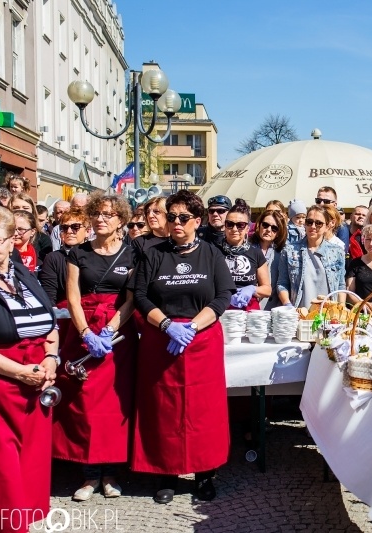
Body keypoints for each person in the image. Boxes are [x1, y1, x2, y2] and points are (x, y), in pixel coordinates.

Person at [131, 190, 236, 504]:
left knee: (203, 412)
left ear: (197, 221)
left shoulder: (212, 254)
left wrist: (192, 327)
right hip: (162, 339)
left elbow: (223, 296)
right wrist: (167, 325)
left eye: (184, 217)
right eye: (172, 216)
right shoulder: (153, 253)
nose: (176, 222)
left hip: (201, 339)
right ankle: (167, 473)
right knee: (164, 410)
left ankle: (205, 473)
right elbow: (141, 297)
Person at [55, 193, 137, 501]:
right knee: (84, 404)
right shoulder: (78, 253)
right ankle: (89, 474)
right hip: (83, 332)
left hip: (117, 336)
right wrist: (86, 333)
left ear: (120, 220)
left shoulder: (132, 254)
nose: (100, 219)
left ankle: (111, 473)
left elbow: (131, 300)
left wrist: (109, 329)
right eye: (96, 214)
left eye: (107, 214)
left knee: (114, 406)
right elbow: (72, 298)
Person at [0, 205, 59, 532]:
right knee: (3, 469)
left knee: (30, 464)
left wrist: (51, 358)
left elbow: (51, 324)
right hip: (2, 384)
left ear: (12, 240)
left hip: (35, 386)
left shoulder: (23, 274)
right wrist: (19, 371)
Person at [277, 205, 346, 308]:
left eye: (318, 223)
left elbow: (341, 285)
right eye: (309, 222)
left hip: (328, 313)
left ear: (327, 226)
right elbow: (282, 283)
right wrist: (287, 304)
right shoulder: (289, 251)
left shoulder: (337, 252)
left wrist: (341, 307)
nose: (313, 226)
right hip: (299, 312)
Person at [39, 208, 90, 343]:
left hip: (92, 314)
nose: (69, 231)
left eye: (75, 227)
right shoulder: (53, 258)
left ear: (88, 231)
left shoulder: (95, 256)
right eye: (64, 228)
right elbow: (49, 294)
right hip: (65, 318)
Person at [221, 199, 271, 311]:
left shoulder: (256, 253)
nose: (234, 229)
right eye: (230, 224)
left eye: (240, 225)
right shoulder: (214, 252)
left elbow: (267, 290)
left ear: (247, 228)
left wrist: (252, 289)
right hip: (222, 308)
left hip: (249, 310)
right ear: (225, 226)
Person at [251, 209, 287, 310]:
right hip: (250, 306)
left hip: (273, 308)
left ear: (279, 232)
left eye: (274, 228)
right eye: (265, 225)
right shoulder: (247, 249)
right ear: (259, 225)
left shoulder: (282, 254)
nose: (268, 230)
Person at [10, 193, 53, 267]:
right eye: (16, 208)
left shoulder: (43, 238)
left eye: (25, 208)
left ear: (33, 211)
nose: (21, 211)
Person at [131, 197, 169, 266]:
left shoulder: (179, 240)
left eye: (156, 212)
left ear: (168, 214)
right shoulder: (140, 242)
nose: (150, 216)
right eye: (148, 212)